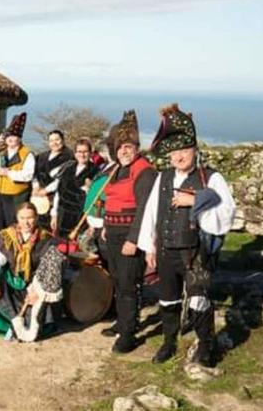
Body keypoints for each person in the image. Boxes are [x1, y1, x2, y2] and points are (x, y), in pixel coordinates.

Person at [138, 104, 235, 367]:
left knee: (199, 300)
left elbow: (227, 212)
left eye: (184, 150)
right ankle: (169, 343)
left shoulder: (211, 178)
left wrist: (193, 200)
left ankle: (205, 345)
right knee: (167, 300)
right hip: (167, 250)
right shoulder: (164, 177)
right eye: (175, 152)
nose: (179, 156)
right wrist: (149, 247)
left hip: (196, 252)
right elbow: (151, 212)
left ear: (195, 151)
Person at [101, 110, 157, 353]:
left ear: (136, 147)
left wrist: (134, 239)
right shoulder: (116, 169)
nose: (124, 150)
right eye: (119, 146)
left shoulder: (143, 170)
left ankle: (128, 333)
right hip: (112, 232)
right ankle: (123, 321)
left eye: (128, 146)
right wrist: (105, 226)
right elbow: (110, 200)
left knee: (128, 285)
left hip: (129, 235)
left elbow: (145, 209)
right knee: (117, 280)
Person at [0, 202, 65, 341]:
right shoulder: (7, 236)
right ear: (17, 218)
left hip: (35, 283)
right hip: (13, 280)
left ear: (36, 218)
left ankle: (31, 324)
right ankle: (8, 322)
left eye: (30, 218)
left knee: (39, 309)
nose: (26, 222)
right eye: (22, 218)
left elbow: (46, 270)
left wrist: (36, 290)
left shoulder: (46, 239)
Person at [0, 113, 35, 236]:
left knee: (13, 225)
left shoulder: (27, 153)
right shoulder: (1, 151)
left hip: (16, 195)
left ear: (19, 138)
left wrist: (9, 173)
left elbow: (28, 175)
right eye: (9, 137)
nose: (11, 139)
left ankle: (14, 251)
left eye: (14, 137)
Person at [51, 138, 99, 238]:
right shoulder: (68, 167)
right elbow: (58, 192)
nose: (82, 155)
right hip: (62, 215)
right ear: (75, 153)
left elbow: (95, 200)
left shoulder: (96, 171)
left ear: (90, 153)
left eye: (85, 151)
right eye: (79, 151)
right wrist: (54, 214)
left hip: (80, 218)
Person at [33, 130, 74, 229]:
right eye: (51, 140)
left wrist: (46, 190)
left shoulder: (70, 157)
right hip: (38, 197)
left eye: (57, 140)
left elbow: (62, 179)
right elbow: (34, 173)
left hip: (57, 197)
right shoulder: (41, 156)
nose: (54, 143)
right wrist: (36, 186)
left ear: (63, 140)